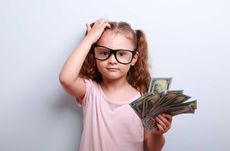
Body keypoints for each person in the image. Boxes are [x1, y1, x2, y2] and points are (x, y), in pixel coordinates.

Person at [59, 18, 173, 151]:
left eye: (121, 54)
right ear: (94, 54)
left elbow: (153, 147)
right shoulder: (90, 91)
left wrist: (157, 133)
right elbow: (66, 79)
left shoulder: (144, 99)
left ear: (133, 59)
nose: (112, 60)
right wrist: (89, 39)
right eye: (104, 52)